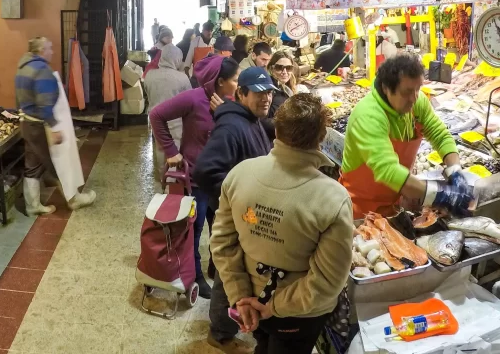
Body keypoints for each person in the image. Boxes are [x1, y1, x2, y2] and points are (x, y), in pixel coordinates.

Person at [211, 94, 355, 353]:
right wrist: (272, 306)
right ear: (322, 138)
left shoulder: (240, 173)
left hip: (247, 300)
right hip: (299, 314)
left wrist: (241, 296)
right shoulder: (333, 198)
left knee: (263, 341)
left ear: (276, 130)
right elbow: (327, 283)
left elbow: (222, 243)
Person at [193, 67, 275, 352]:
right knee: (232, 274)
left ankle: (229, 324)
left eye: (268, 93)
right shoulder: (232, 127)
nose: (265, 98)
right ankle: (220, 333)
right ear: (241, 93)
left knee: (233, 270)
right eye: (258, 93)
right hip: (242, 213)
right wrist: (234, 201)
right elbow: (204, 171)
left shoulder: (250, 120)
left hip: (244, 212)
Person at [150, 55, 240, 300]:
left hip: (224, 180)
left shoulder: (234, 101)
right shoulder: (194, 98)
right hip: (198, 180)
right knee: (195, 228)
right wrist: (171, 152)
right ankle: (195, 274)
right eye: (235, 79)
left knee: (220, 227)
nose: (239, 83)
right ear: (221, 81)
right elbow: (156, 115)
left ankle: (216, 265)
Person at [340, 53, 472, 219]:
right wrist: (439, 195)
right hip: (362, 209)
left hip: (395, 202)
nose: (414, 98)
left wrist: (455, 171)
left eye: (418, 89)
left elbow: (440, 134)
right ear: (387, 88)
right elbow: (388, 171)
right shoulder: (368, 116)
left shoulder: (417, 102)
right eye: (407, 92)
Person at [15, 37, 96, 214]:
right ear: (41, 50)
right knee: (58, 163)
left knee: (33, 164)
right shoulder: (42, 70)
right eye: (50, 48)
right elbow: (45, 103)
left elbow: (19, 99)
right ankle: (74, 199)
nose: (52, 51)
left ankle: (32, 205)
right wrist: (53, 127)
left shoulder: (22, 68)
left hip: (27, 123)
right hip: (40, 125)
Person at [144, 44, 194, 178]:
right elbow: (190, 101)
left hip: (155, 122)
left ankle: (162, 178)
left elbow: (147, 95)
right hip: (176, 124)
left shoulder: (149, 75)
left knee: (160, 149)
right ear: (177, 59)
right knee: (175, 152)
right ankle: (173, 182)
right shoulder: (182, 78)